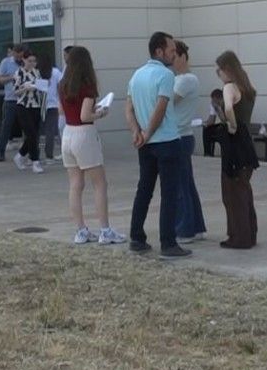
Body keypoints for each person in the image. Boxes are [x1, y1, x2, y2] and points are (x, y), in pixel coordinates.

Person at [125, 31, 188, 257]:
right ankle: (168, 243)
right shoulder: (166, 75)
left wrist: (137, 132)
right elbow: (161, 109)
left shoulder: (137, 75)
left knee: (144, 190)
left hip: (146, 144)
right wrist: (147, 132)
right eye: (171, 50)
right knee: (169, 194)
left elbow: (129, 108)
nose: (174, 54)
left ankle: (136, 237)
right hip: (166, 141)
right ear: (159, 51)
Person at [59, 45, 126, 245]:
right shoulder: (87, 86)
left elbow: (63, 111)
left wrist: (90, 109)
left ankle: (81, 230)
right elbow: (85, 116)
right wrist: (100, 113)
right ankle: (105, 230)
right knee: (99, 183)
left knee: (75, 185)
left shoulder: (62, 85)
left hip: (68, 133)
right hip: (84, 134)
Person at [217, 50, 259, 249]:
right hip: (246, 142)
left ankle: (238, 236)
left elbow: (228, 108)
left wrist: (231, 124)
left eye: (219, 70)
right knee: (244, 190)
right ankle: (250, 232)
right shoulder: (248, 89)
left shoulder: (229, 87)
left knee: (232, 192)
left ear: (226, 69)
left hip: (234, 143)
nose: (218, 74)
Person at [171, 40, 207, 244]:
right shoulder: (179, 79)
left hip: (180, 135)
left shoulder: (186, 80)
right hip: (181, 134)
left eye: (174, 56)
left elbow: (167, 101)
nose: (172, 61)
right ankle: (196, 226)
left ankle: (185, 229)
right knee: (186, 183)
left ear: (183, 57)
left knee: (180, 185)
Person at [12, 51, 45, 174]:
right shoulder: (19, 73)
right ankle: (35, 161)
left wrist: (39, 87)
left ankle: (20, 155)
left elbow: (42, 87)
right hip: (23, 106)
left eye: (34, 61)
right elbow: (15, 92)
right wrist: (25, 88)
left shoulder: (37, 72)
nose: (32, 63)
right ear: (24, 60)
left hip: (36, 105)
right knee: (31, 133)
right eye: (30, 61)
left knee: (34, 134)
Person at [0, 44, 25, 162]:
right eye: (17, 56)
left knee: (27, 126)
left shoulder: (26, 62)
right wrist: (11, 77)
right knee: (6, 126)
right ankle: (0, 151)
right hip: (11, 99)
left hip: (24, 99)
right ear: (13, 53)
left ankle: (29, 151)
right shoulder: (6, 62)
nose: (19, 59)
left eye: (21, 57)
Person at [41, 54, 64, 162]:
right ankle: (49, 155)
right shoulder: (55, 72)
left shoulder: (38, 73)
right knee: (50, 131)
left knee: (37, 130)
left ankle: (34, 155)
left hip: (41, 104)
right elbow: (60, 87)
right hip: (53, 104)